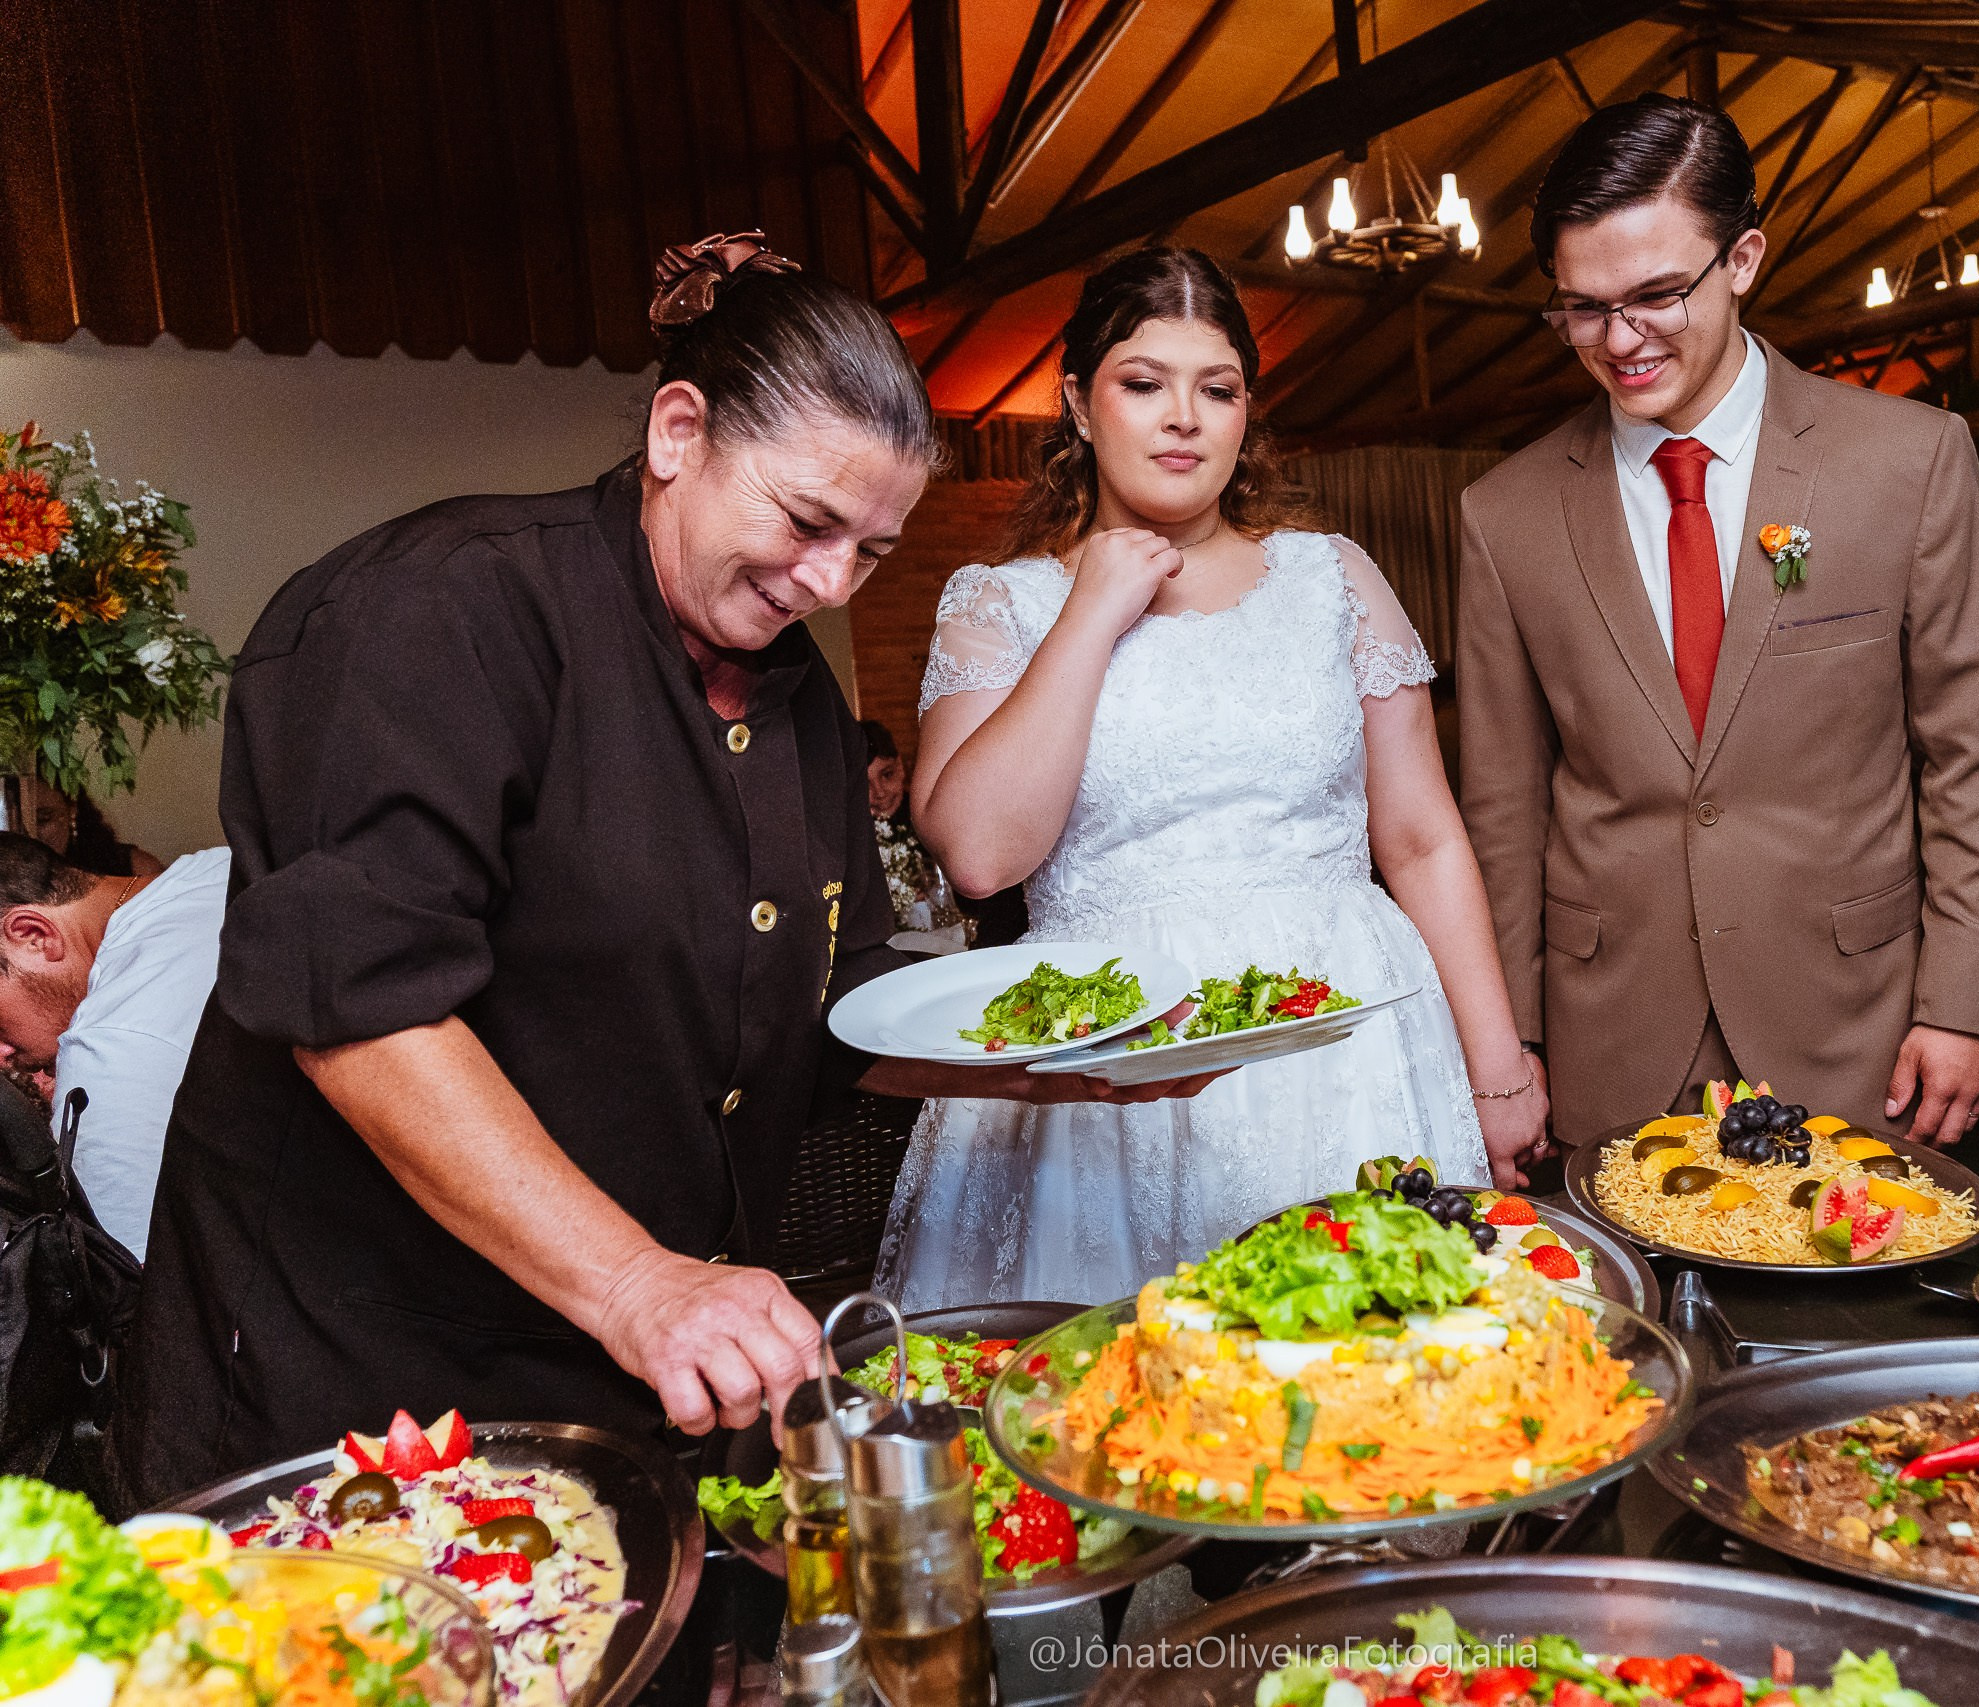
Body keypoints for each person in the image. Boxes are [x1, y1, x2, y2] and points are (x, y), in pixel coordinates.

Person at [115, 233, 1210, 1507]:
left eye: (870, 552)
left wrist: (1063, 1065)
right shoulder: (441, 610)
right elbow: (361, 1007)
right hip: (360, 1370)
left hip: (622, 1385)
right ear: (678, 433)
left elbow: (844, 1006)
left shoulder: (797, 701)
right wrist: (638, 1283)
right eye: (806, 522)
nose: (827, 584)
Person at [874, 248, 1547, 1311]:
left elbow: (1422, 839)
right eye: (1144, 384)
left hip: (1347, 1047)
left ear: (1246, 414)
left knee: (1378, 1367)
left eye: (1217, 389)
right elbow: (982, 856)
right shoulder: (998, 602)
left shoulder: (1333, 578)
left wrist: (1497, 1067)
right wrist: (1092, 613)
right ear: (1079, 406)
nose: (1183, 418)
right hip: (1106, 1067)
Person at [1458, 97, 1979, 1150]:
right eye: (1583, 308)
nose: (1619, 341)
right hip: (1610, 1038)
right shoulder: (1504, 514)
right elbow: (1503, 808)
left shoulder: (1908, 461)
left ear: (1743, 260)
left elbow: (1975, 756)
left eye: (1656, 296)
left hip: (1857, 1028)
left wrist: (1965, 1000)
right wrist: (1509, 1042)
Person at [0, 832, 226, 1255]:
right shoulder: (219, 868)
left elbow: (131, 1279)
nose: (1, 1057)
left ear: (33, 934)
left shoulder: (108, 1055)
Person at [855, 718, 969, 945]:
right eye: (865, 784)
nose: (879, 792)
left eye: (887, 775)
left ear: (900, 766)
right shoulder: (854, 837)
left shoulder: (932, 817)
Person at [9, 777, 164, 879]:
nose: (31, 833)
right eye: (18, 823)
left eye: (43, 819)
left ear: (71, 809)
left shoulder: (135, 868)